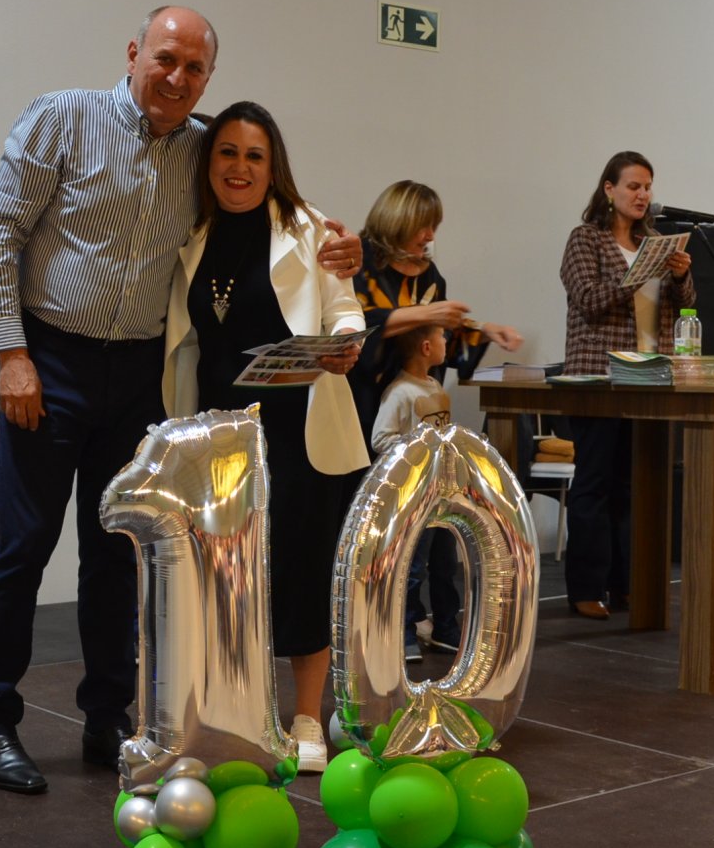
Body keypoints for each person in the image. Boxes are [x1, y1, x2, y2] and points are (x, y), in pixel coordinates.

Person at [0, 8, 362, 794]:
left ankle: (106, 716)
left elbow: (277, 203)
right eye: (165, 59)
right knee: (23, 545)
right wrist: (11, 354)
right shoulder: (62, 118)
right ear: (134, 53)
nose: (177, 79)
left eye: (194, 69)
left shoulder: (203, 149)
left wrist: (350, 248)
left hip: (140, 375)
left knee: (119, 551)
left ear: (208, 79)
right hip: (50, 363)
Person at [162, 100, 366, 774]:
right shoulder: (190, 232)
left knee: (303, 567)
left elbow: (344, 312)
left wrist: (346, 344)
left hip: (295, 431)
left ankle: (306, 716)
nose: (240, 168)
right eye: (227, 153)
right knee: (226, 577)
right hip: (217, 435)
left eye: (255, 156)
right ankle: (239, 710)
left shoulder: (312, 230)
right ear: (208, 162)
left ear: (273, 167)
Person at [349, 181, 524, 652]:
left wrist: (482, 330)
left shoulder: (429, 273)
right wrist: (426, 313)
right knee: (373, 517)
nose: (429, 236)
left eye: (434, 227)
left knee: (429, 533)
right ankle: (373, 618)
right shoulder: (362, 262)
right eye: (424, 226)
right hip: (363, 398)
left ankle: (428, 620)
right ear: (400, 220)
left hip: (410, 400)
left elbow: (433, 334)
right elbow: (358, 328)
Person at [559, 150, 695, 619]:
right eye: (634, 186)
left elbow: (682, 304)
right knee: (594, 482)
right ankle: (586, 587)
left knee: (634, 485)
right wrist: (637, 276)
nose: (643, 195)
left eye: (648, 187)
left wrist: (680, 275)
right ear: (609, 189)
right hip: (598, 375)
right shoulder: (585, 239)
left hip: (648, 374)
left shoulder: (654, 242)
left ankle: (628, 584)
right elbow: (588, 299)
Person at [370, 324, 453, 658]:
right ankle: (403, 634)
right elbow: (380, 439)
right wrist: (419, 446)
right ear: (426, 347)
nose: (447, 341)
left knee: (445, 565)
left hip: (441, 489)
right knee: (413, 566)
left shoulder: (434, 386)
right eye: (442, 336)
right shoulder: (400, 392)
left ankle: (446, 628)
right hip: (415, 493)